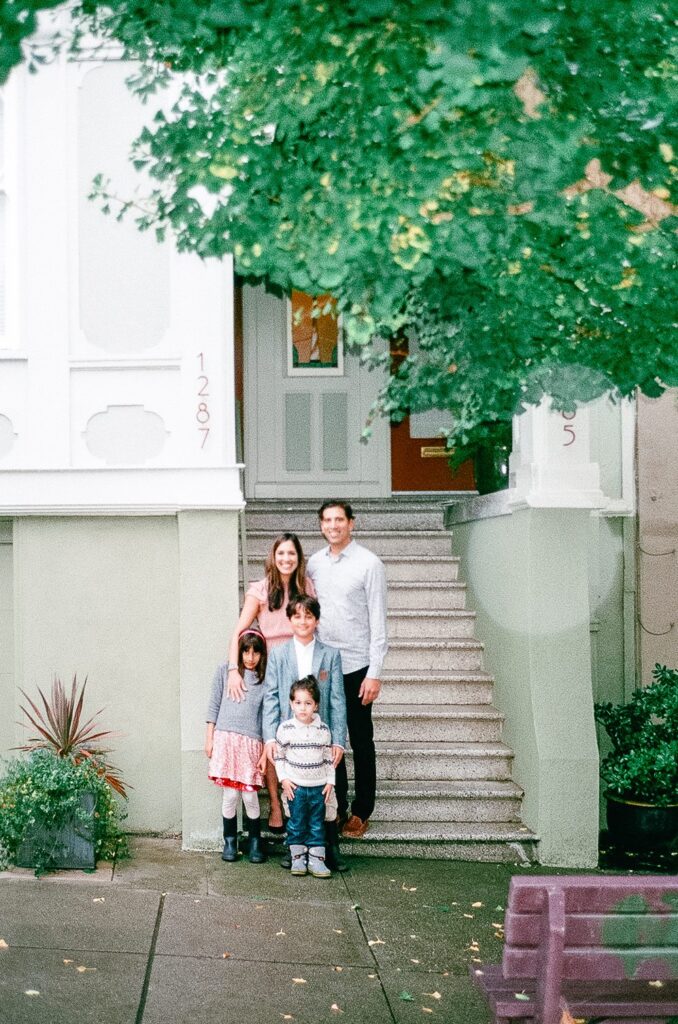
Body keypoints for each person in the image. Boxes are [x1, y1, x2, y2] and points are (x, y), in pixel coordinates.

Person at [307, 500, 388, 839]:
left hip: (358, 665)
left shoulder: (369, 563)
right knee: (330, 738)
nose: (334, 525)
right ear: (321, 525)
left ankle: (362, 811)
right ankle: (335, 807)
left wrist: (375, 672)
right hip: (325, 666)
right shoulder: (313, 563)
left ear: (352, 523)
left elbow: (378, 620)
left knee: (360, 738)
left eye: (339, 519)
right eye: (327, 520)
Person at [226, 532, 316, 832]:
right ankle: (276, 805)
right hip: (269, 672)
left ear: (298, 558)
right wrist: (233, 670)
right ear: (273, 557)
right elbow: (239, 632)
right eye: (281, 554)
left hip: (300, 667)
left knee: (299, 737)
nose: (286, 559)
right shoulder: (260, 590)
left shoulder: (306, 587)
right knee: (272, 739)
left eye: (292, 554)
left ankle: (300, 804)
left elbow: (314, 626)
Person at [262, 594, 347, 870]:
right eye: (297, 616)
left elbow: (337, 699)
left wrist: (339, 740)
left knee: (326, 796)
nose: (303, 621)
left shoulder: (330, 655)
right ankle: (294, 850)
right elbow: (272, 696)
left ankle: (329, 848)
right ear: (290, 619)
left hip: (320, 738)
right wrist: (270, 737)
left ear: (316, 620)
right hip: (291, 738)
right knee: (295, 797)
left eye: (308, 616)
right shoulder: (279, 654)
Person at [205, 628, 268, 864]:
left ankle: (254, 841)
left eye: (255, 652)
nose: (250, 657)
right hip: (226, 740)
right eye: (245, 651)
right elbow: (213, 706)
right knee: (230, 795)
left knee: (250, 796)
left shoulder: (265, 680)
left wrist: (264, 751)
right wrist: (209, 737)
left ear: (262, 655)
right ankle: (230, 840)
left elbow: (266, 717)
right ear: (238, 651)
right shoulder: (225, 672)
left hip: (250, 743)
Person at [274, 676, 336, 878]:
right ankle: (298, 858)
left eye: (308, 703)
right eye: (298, 703)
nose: (303, 708)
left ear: (316, 705)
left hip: (318, 787)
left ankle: (317, 860)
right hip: (296, 787)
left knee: (317, 824)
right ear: (291, 703)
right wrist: (284, 779)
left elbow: (328, 757)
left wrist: (330, 781)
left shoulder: (323, 729)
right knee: (296, 823)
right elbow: (279, 756)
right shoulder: (286, 729)